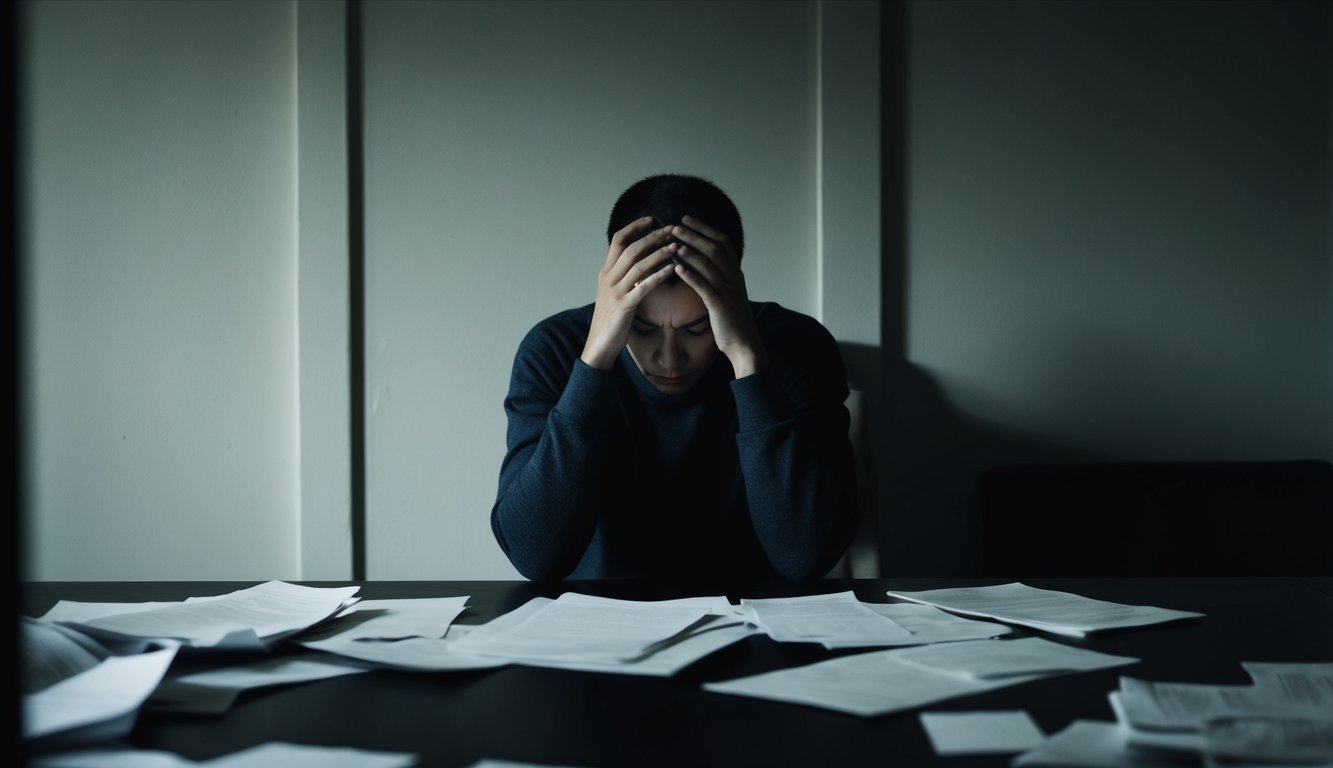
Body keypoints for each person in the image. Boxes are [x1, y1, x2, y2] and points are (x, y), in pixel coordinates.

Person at [491, 174, 859, 581]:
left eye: (698, 328)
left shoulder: (799, 346)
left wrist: (747, 358)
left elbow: (805, 557)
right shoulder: (554, 350)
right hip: (599, 628)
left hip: (759, 624)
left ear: (734, 290)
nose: (669, 358)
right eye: (642, 328)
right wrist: (595, 360)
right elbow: (534, 557)